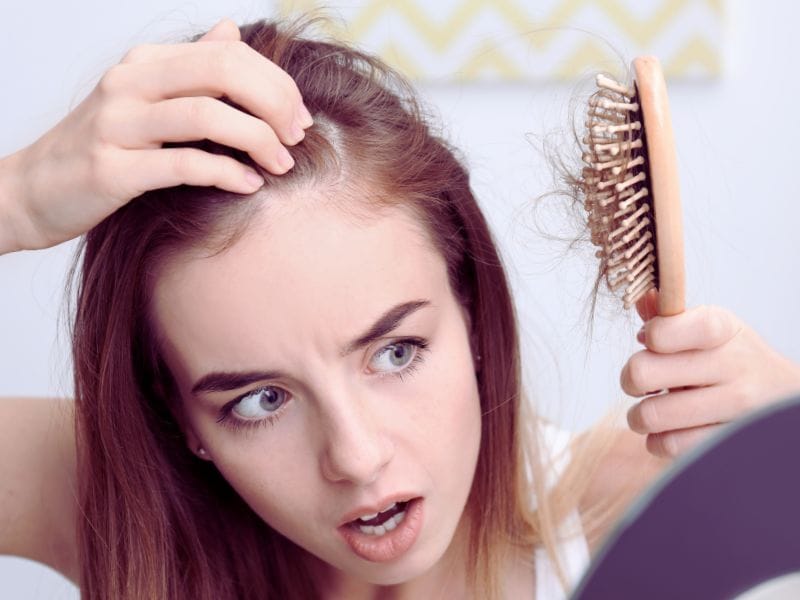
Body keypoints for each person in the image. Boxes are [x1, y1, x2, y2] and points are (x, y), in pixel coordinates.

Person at [1, 16, 799, 600]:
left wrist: (785, 444)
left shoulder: (628, 511)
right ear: (182, 420)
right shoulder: (126, 503)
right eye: (260, 400)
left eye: (395, 352)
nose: (355, 457)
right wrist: (19, 200)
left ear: (469, 306)